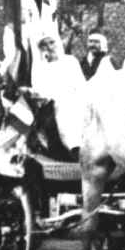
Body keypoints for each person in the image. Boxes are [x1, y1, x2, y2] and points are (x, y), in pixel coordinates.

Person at [30, 33, 87, 163]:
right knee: (61, 110)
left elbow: (80, 84)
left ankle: (78, 148)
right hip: (52, 102)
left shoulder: (70, 61)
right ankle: (73, 147)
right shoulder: (40, 66)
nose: (49, 47)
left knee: (72, 107)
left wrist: (74, 96)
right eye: (44, 45)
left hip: (75, 98)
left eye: (51, 42)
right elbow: (39, 89)